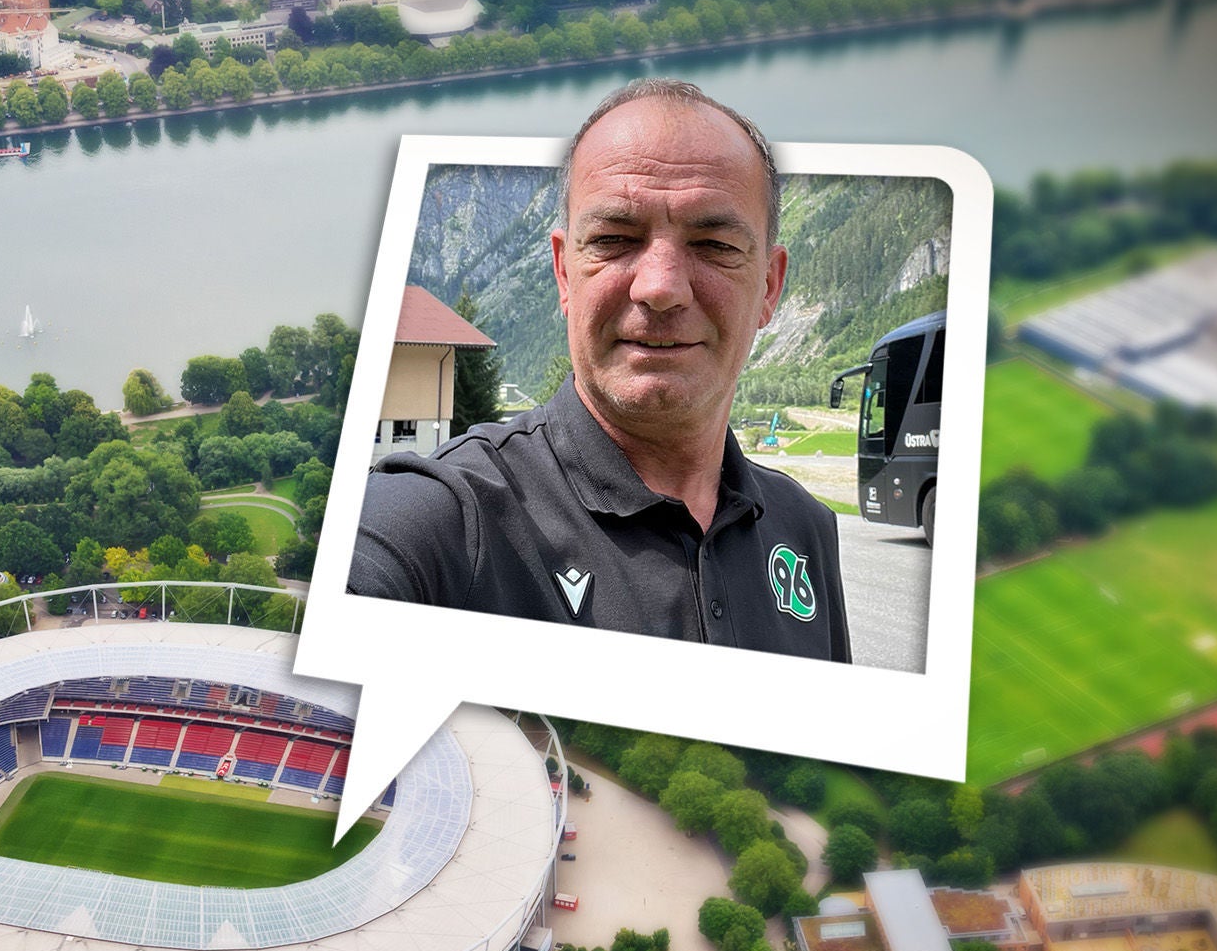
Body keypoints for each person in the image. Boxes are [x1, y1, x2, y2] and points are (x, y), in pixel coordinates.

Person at [350, 79, 851, 661]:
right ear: (565, 275)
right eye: (615, 239)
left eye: (714, 244)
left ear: (769, 285)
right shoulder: (447, 521)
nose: (661, 287)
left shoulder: (806, 529)